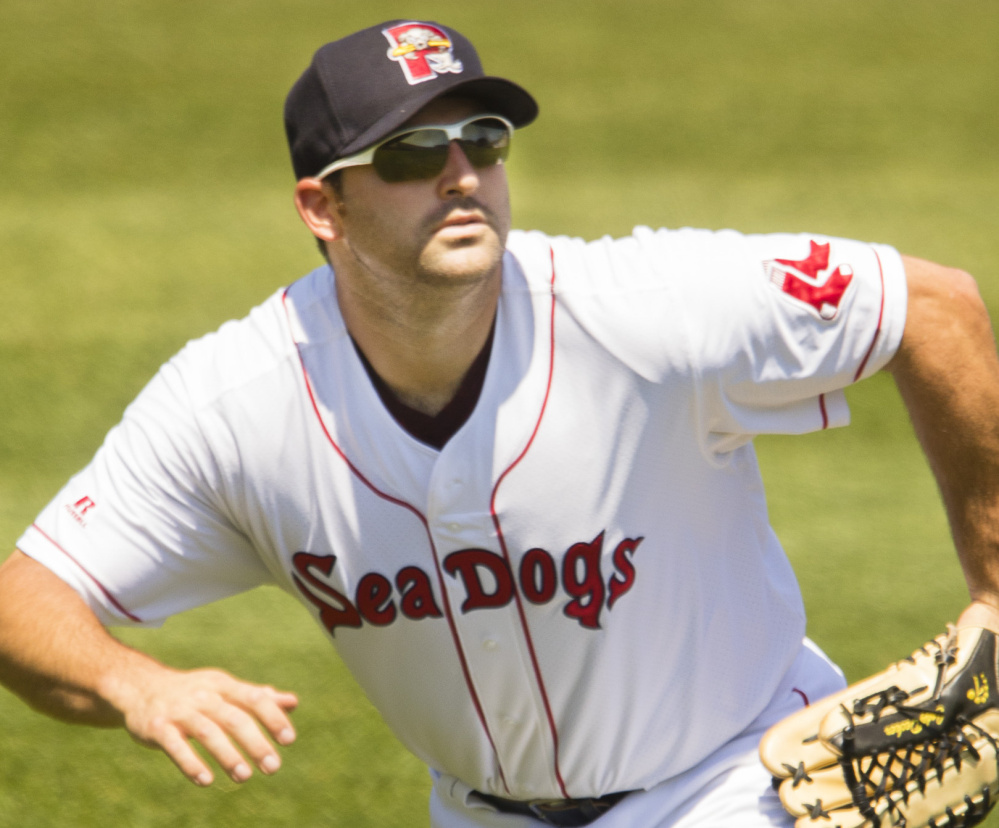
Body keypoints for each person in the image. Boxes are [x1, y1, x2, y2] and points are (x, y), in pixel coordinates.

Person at [2, 19, 999, 828]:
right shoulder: (234, 405)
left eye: (483, 140)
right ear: (323, 207)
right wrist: (134, 686)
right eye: (410, 152)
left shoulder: (638, 306)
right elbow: (22, 602)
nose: (462, 173)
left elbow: (932, 307)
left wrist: (995, 596)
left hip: (745, 781)